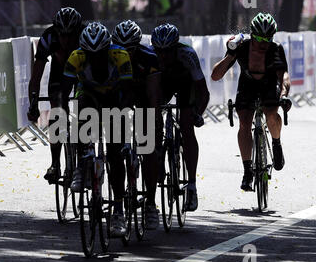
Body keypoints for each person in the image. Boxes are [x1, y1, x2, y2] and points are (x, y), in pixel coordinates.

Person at [63, 22, 134, 237]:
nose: (96, 58)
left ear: (108, 49)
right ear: (84, 52)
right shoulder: (76, 57)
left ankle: (119, 210)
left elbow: (129, 92)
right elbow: (63, 90)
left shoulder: (120, 56)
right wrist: (61, 111)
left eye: (100, 54)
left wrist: (121, 117)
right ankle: (82, 161)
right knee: (79, 109)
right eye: (91, 55)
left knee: (114, 154)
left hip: (114, 96)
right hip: (89, 94)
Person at [211, 13, 292, 191]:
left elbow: (283, 76)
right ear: (251, 35)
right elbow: (215, 76)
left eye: (267, 39)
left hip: (268, 84)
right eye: (258, 38)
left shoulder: (275, 49)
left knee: (272, 114)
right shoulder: (241, 47)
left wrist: (284, 95)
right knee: (244, 122)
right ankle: (247, 171)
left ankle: (276, 143)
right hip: (247, 84)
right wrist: (230, 56)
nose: (262, 43)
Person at [151, 23, 210, 212]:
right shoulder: (151, 56)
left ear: (175, 47)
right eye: (159, 51)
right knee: (153, 116)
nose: (163, 56)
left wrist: (198, 113)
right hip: (164, 85)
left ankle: (192, 185)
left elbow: (203, 91)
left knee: (186, 127)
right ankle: (157, 154)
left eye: (167, 51)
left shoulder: (187, 54)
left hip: (186, 86)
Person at [27, 7, 85, 185]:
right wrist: (33, 104)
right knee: (57, 111)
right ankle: (55, 163)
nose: (66, 40)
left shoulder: (85, 36)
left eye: (70, 35)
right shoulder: (48, 38)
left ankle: (83, 162)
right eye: (63, 35)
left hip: (82, 71)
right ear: (56, 32)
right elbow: (35, 77)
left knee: (85, 110)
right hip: (59, 72)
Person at [111, 20, 160, 230]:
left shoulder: (149, 58)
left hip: (142, 99)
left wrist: (152, 118)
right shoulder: (109, 57)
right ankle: (118, 208)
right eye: (121, 48)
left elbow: (153, 95)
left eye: (129, 49)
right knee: (114, 151)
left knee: (148, 149)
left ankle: (150, 203)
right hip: (119, 101)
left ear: (137, 46)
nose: (125, 53)